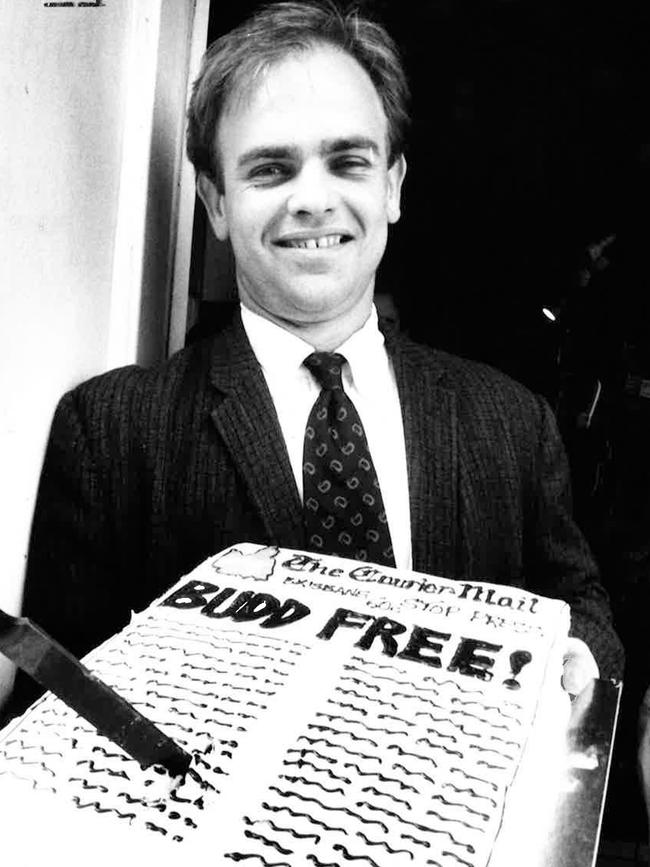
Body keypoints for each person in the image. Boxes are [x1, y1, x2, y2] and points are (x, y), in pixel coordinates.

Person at [7, 0, 622, 717]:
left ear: (390, 186)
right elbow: (52, 705)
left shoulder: (512, 423)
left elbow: (585, 613)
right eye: (271, 169)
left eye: (347, 161)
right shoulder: (112, 431)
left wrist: (573, 657)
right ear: (214, 201)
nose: (312, 199)